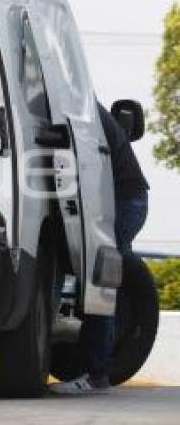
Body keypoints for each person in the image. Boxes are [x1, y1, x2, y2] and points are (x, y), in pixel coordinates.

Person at [51, 101, 150, 394]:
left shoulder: (75, 110)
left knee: (99, 281)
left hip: (121, 202)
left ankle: (97, 376)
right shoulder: (75, 102)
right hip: (118, 200)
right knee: (97, 279)